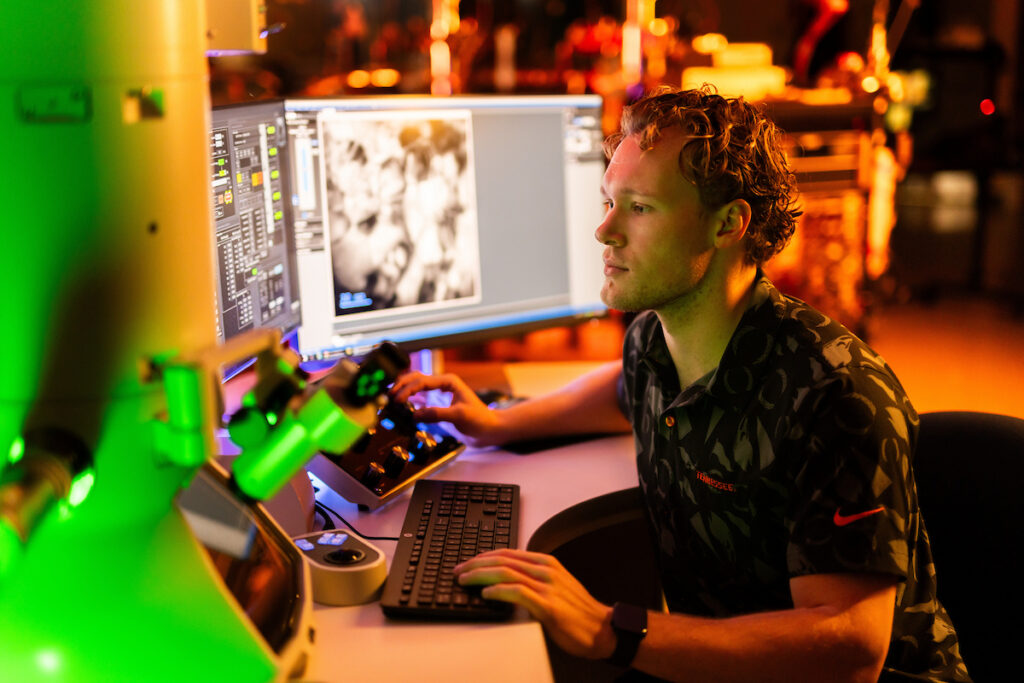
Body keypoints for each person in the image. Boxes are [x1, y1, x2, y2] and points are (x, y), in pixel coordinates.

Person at [391, 87, 970, 683]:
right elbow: (623, 387)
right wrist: (502, 422)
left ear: (727, 224)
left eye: (639, 208)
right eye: (608, 201)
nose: (604, 231)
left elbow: (850, 648)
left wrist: (607, 629)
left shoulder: (834, 395)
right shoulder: (654, 341)